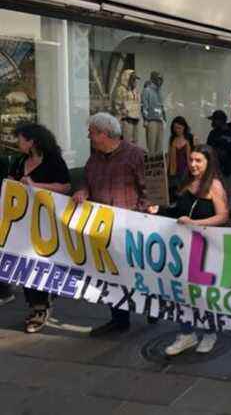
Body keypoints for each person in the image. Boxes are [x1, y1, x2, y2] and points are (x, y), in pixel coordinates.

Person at [148, 145, 229, 355]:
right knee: (181, 292)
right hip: (181, 248)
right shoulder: (186, 182)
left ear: (208, 163)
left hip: (205, 248)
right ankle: (187, 333)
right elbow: (178, 210)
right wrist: (160, 209)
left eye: (198, 161)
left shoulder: (215, 186)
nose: (193, 164)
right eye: (191, 160)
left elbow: (223, 216)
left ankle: (210, 332)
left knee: (204, 293)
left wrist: (195, 222)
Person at [73, 112, 149, 337]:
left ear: (104, 134)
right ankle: (119, 319)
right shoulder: (94, 157)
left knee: (138, 274)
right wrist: (82, 191)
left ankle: (153, 308)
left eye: (91, 133)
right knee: (111, 275)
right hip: (103, 227)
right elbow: (87, 180)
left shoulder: (137, 155)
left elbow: (152, 191)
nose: (88, 137)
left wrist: (141, 216)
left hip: (130, 227)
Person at [8, 123, 71, 332]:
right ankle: (34, 305)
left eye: (20, 139)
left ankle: (41, 306)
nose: (18, 143)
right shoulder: (19, 162)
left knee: (40, 262)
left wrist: (36, 186)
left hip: (45, 222)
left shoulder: (53, 162)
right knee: (23, 263)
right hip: (22, 221)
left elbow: (65, 186)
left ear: (32, 141)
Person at [206, 110, 231, 200]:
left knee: (227, 193)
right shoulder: (213, 133)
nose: (212, 123)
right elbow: (208, 149)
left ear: (220, 121)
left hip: (228, 170)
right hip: (214, 168)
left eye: (214, 120)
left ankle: (229, 213)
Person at [167, 116, 195, 202]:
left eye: (179, 128)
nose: (177, 130)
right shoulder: (172, 139)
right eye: (175, 128)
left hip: (186, 169)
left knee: (184, 191)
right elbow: (169, 155)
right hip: (173, 170)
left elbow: (195, 153)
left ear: (184, 127)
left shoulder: (190, 138)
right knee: (173, 192)